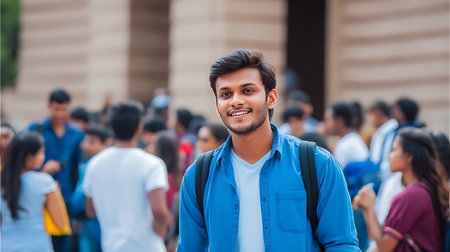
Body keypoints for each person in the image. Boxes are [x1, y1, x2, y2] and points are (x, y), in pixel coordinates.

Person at [177, 49, 359, 251]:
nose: (235, 100)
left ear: (271, 98)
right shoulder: (198, 176)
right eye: (226, 94)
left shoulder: (318, 165)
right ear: (218, 104)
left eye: (248, 91)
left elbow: (342, 244)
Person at [82, 101, 172, 252]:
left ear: (111, 128)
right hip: (147, 246)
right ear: (139, 129)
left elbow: (90, 211)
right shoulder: (152, 164)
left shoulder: (94, 164)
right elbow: (159, 211)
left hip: (111, 246)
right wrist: (162, 227)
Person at [353, 128, 449, 252]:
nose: (389, 156)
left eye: (393, 150)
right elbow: (378, 236)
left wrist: (370, 207)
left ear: (409, 156)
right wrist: (367, 208)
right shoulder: (421, 190)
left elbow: (384, 247)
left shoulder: (412, 195)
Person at [28, 88, 84, 252]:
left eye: (64, 109)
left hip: (65, 197)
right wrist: (42, 170)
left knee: (63, 244)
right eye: (56, 109)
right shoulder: (36, 129)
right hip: (38, 196)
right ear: (49, 107)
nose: (60, 113)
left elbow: (76, 169)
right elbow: (25, 163)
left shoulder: (76, 134)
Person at [1, 131, 70, 252]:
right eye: (41, 153)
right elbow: (60, 223)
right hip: (37, 245)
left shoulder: (3, 181)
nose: (43, 157)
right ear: (29, 157)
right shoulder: (45, 182)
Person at [71, 126, 113, 252]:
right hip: (87, 221)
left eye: (92, 142)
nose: (86, 146)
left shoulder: (104, 167)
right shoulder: (85, 165)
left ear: (107, 143)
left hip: (100, 221)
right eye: (86, 141)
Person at [324, 102, 369, 169]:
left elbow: (338, 175)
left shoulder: (344, 146)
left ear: (340, 120)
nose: (326, 124)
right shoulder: (355, 138)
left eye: (328, 119)